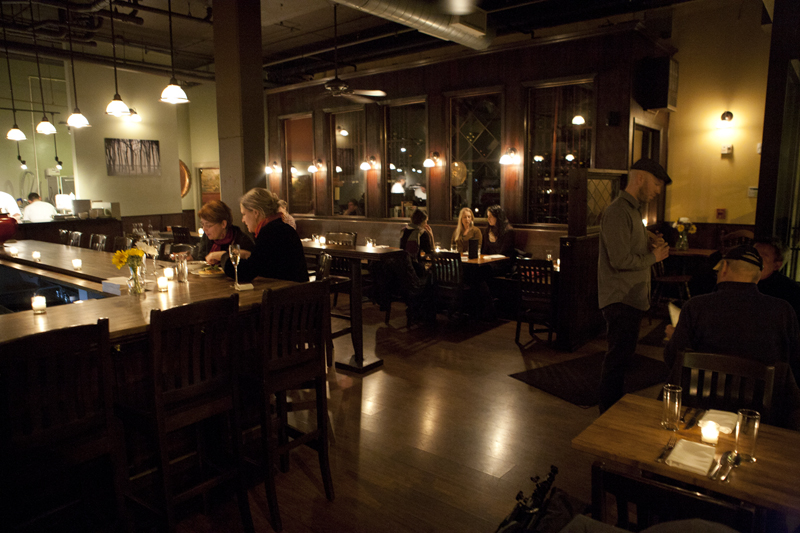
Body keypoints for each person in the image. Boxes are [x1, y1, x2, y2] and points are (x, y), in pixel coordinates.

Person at [664, 244, 800, 429]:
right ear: (758, 276)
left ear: (725, 268)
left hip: (699, 405)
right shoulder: (783, 311)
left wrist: (674, 337)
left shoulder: (696, 307)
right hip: (762, 412)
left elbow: (674, 359)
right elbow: (792, 361)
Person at [597, 158, 671, 414]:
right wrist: (654, 257)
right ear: (640, 177)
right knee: (617, 362)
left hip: (630, 298)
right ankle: (607, 416)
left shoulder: (632, 211)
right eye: (656, 183)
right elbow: (619, 260)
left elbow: (627, 248)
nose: (658, 190)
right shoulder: (618, 211)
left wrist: (647, 241)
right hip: (621, 300)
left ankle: (611, 413)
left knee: (622, 361)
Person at [206, 188, 308, 283]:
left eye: (244, 214)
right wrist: (247, 255)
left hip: (288, 297)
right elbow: (265, 264)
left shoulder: (270, 232)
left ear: (256, 213)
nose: (243, 220)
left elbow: (245, 273)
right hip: (296, 292)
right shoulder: (281, 228)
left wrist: (223, 256)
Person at [754, 238, 800, 323]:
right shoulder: (740, 281)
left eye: (762, 257)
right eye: (752, 254)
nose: (753, 259)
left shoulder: (790, 291)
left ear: (777, 265)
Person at [400, 208, 434, 275]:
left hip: (403, 269)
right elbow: (430, 253)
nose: (426, 225)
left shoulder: (404, 231)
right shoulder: (422, 233)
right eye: (426, 222)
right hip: (416, 270)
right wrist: (431, 236)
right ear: (422, 222)